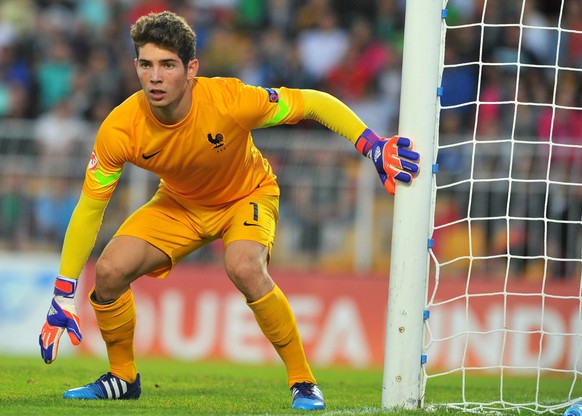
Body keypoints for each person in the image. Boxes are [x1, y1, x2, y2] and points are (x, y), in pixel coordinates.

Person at [38, 11, 419, 410]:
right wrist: (64, 290)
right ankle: (123, 377)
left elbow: (312, 102)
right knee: (110, 271)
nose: (155, 77)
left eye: (168, 65)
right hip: (181, 203)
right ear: (135, 66)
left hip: (246, 195)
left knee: (244, 266)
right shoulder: (120, 129)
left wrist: (372, 144)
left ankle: (303, 381)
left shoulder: (229, 100)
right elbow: (89, 209)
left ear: (191, 69)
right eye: (146, 65)